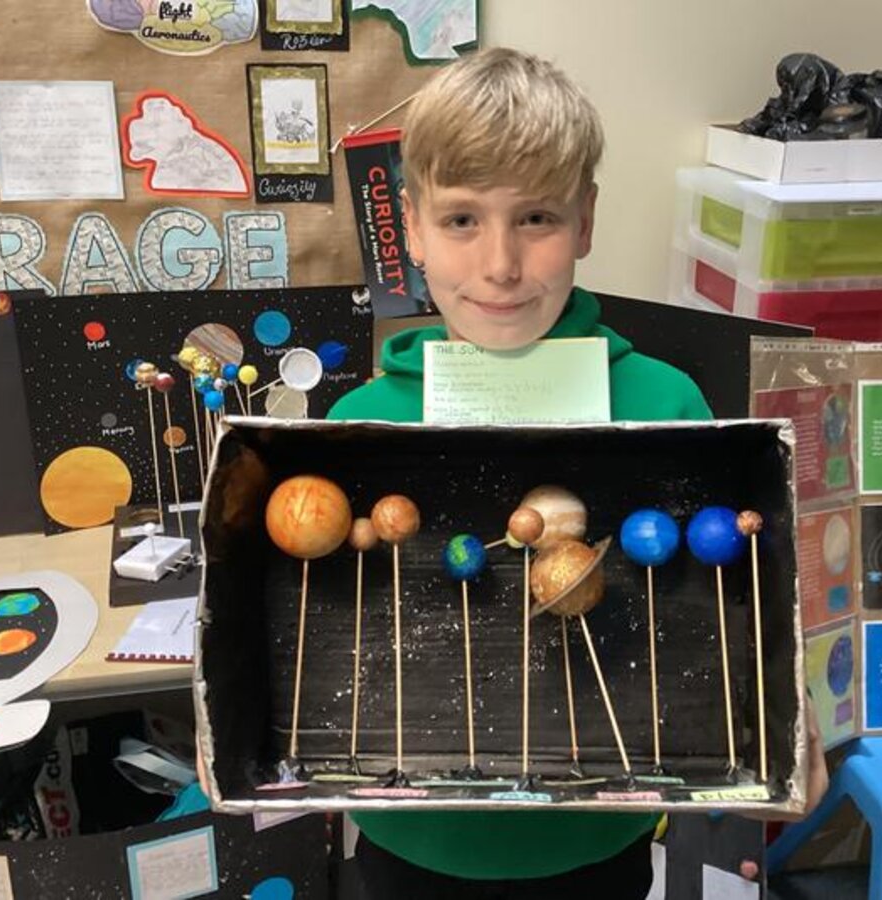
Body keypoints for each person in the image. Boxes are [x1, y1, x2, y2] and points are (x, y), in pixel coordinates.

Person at [327, 47, 827, 898]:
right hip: (413, 842)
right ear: (409, 225)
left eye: (536, 219)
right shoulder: (357, 426)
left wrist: (791, 714)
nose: (500, 266)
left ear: (585, 220)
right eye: (460, 220)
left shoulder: (666, 405)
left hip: (600, 839)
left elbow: (738, 599)